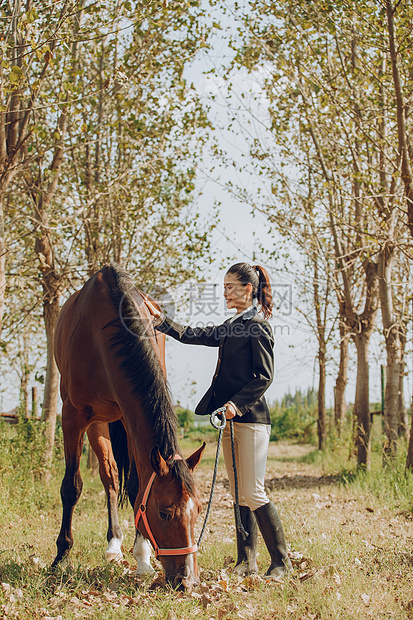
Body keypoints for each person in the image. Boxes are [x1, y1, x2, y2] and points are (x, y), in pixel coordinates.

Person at [153, 262, 292, 578]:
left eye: (231, 286)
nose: (225, 292)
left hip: (251, 420)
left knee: (253, 492)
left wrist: (234, 405)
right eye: (224, 286)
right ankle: (246, 562)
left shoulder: (258, 325)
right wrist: (161, 322)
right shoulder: (233, 324)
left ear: (247, 289)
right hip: (230, 421)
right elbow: (194, 334)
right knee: (240, 493)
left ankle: (281, 563)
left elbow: (264, 377)